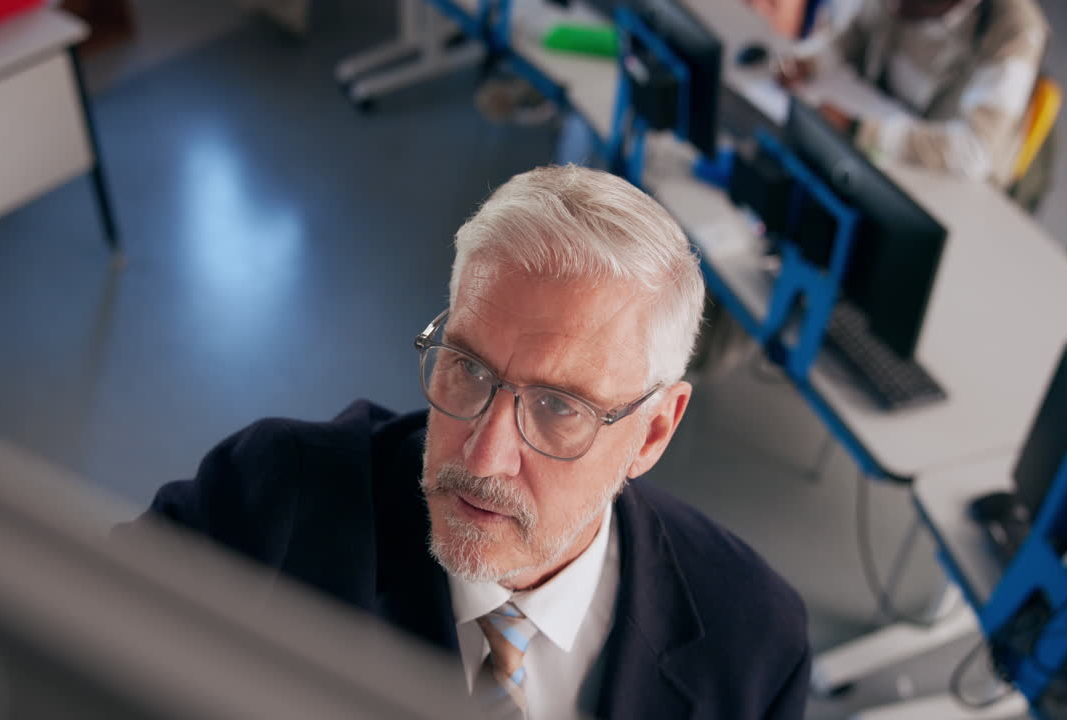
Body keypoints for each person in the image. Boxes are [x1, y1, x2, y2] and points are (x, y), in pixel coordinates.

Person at [130, 165, 811, 719]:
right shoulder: (272, 500)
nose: (483, 457)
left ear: (653, 431)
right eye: (468, 369)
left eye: (557, 408)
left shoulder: (751, 642)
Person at [776, 0, 1048, 189]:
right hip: (873, 154)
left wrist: (859, 130)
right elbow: (856, 33)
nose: (893, 7)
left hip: (942, 178)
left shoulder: (1014, 29)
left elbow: (975, 151)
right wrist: (810, 61)